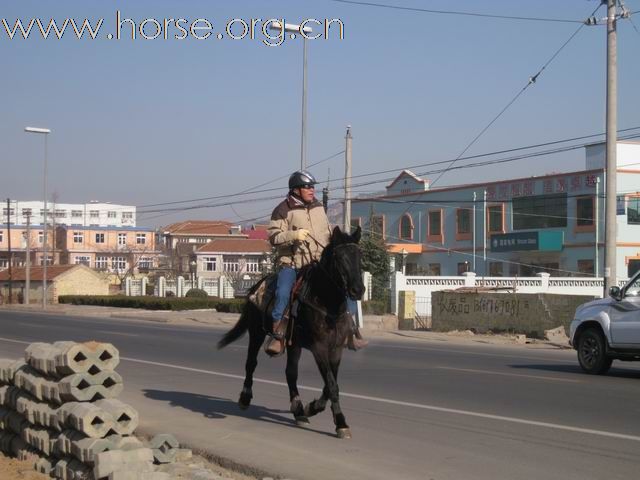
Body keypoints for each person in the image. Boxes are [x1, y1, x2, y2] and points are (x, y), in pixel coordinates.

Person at [266, 170, 368, 356]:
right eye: (307, 187)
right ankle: (278, 334)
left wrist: (340, 240)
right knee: (282, 293)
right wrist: (293, 235)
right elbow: (273, 237)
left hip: (317, 262)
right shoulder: (282, 210)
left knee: (343, 289)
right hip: (293, 264)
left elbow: (326, 229)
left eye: (313, 186)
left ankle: (350, 331)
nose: (312, 190)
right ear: (296, 190)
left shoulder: (318, 207)